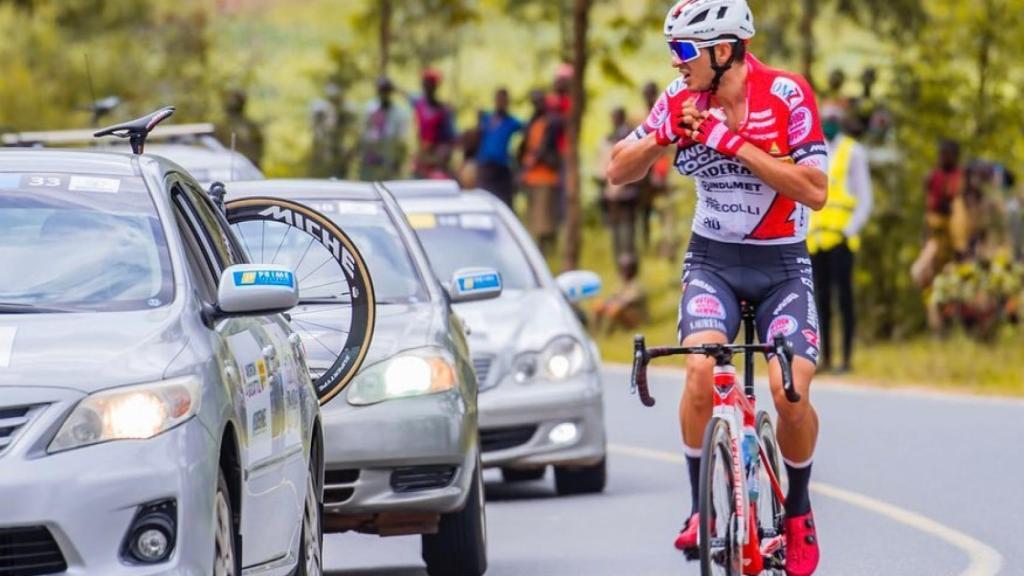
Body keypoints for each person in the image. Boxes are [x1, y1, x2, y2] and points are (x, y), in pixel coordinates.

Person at [606, 2, 828, 573]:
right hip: (713, 260)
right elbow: (616, 169)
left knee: (788, 392)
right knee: (701, 370)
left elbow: (814, 189)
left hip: (781, 265)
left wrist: (734, 144)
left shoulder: (787, 94)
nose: (675, 62)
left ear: (723, 51)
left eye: (683, 50)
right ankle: (700, 510)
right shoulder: (680, 99)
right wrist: (660, 140)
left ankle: (798, 511)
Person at [807, 105, 873, 374]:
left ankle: (846, 359)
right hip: (815, 240)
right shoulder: (813, 150)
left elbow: (865, 198)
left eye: (834, 120)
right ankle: (825, 358)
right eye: (826, 120)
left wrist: (850, 230)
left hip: (842, 240)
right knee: (820, 301)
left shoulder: (853, 151)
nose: (829, 124)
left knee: (844, 300)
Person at [519, 90, 564, 255]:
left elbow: (544, 147)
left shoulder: (552, 122)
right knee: (536, 212)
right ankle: (539, 246)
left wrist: (530, 164)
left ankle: (547, 246)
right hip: (532, 176)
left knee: (546, 212)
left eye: (539, 101)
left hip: (546, 175)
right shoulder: (533, 122)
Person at [597, 107, 642, 265]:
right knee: (617, 230)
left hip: (627, 193)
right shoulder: (610, 138)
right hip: (613, 192)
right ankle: (620, 263)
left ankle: (629, 263)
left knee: (627, 230)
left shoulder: (630, 138)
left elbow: (638, 169)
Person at [475, 88, 524, 207]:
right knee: (483, 199)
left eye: (504, 100)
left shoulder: (511, 122)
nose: (501, 102)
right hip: (485, 166)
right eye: (499, 99)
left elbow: (526, 130)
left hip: (502, 167)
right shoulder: (486, 118)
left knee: (504, 201)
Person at [358, 76, 410, 182]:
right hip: (370, 162)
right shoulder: (370, 109)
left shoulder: (399, 113)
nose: (383, 93)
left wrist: (398, 161)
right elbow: (363, 134)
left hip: (389, 162)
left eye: (386, 90)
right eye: (381, 90)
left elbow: (401, 140)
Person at [410, 69, 457, 179]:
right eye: (425, 84)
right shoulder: (419, 104)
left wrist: (441, 156)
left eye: (430, 84)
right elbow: (408, 96)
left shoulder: (444, 111)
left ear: (435, 86)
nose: (427, 87)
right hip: (422, 157)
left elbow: (451, 138)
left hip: (437, 158)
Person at [310, 82, 356, 178]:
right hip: (326, 147)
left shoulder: (346, 109)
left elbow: (352, 131)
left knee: (340, 174)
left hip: (339, 147)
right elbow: (316, 129)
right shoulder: (321, 109)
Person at [217, 88, 264, 168]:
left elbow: (257, 150)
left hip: (246, 168)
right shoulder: (221, 126)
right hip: (225, 167)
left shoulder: (250, 127)